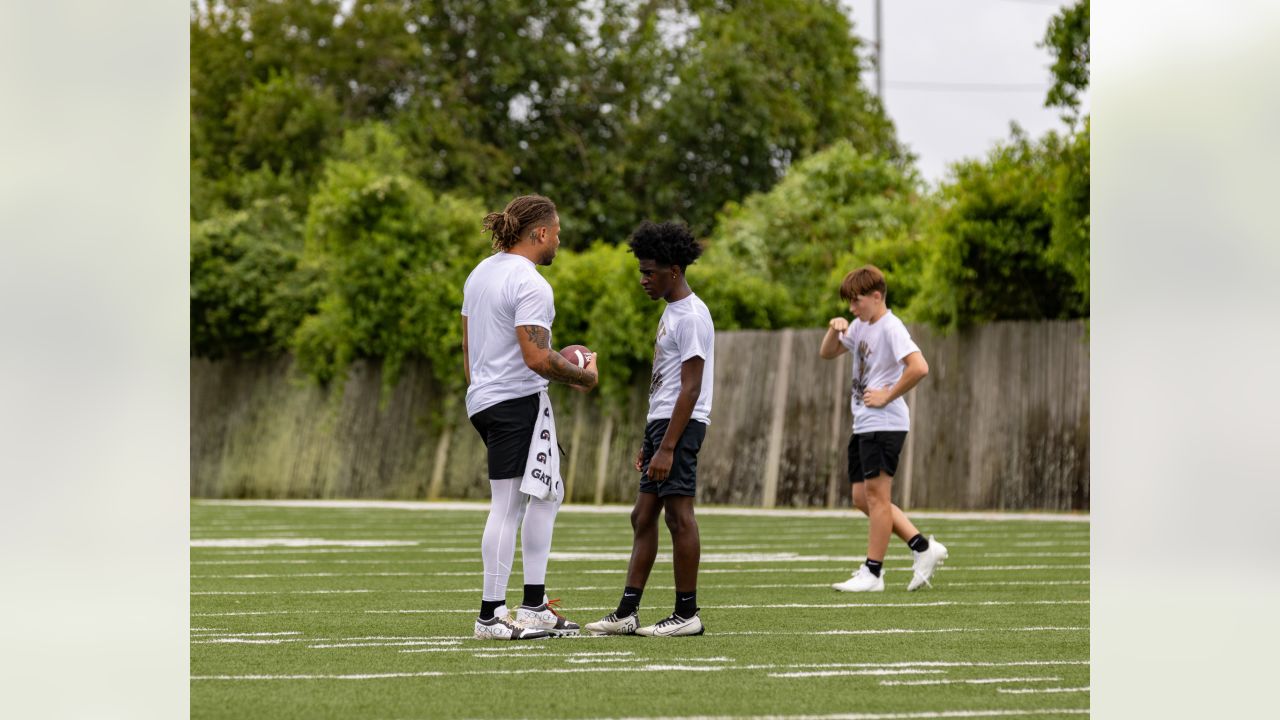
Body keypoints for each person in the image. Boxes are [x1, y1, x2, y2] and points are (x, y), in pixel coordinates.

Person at [461, 194, 599, 639]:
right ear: (540, 233)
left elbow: (469, 346)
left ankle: (535, 605)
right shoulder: (531, 283)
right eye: (556, 232)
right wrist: (582, 374)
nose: (559, 239)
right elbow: (537, 357)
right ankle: (491, 615)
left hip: (490, 397)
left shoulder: (481, 272)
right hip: (516, 400)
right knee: (509, 505)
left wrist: (482, 389)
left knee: (548, 493)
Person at [585, 221, 714, 638]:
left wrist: (669, 447)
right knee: (643, 516)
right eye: (641, 271)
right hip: (663, 426)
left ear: (674, 271)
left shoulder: (692, 315)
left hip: (682, 427)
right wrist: (650, 442)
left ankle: (687, 614)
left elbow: (691, 388)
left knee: (679, 517)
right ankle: (627, 612)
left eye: (650, 272)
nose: (644, 280)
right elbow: (665, 384)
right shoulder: (670, 312)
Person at [819, 265, 948, 592]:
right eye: (848, 303)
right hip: (864, 422)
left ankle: (873, 572)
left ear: (877, 297)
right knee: (862, 498)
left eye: (856, 301)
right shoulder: (861, 326)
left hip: (884, 422)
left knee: (877, 498)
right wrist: (835, 330)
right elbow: (827, 353)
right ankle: (922, 547)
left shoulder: (891, 327)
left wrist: (888, 394)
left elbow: (919, 367)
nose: (851, 308)